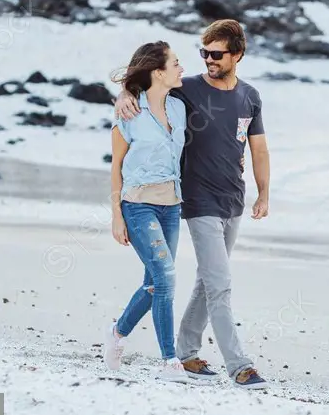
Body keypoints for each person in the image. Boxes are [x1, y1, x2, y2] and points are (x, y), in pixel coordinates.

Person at [115, 20, 271, 390]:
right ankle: (239, 366)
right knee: (220, 284)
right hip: (198, 200)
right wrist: (124, 93)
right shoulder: (189, 90)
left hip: (234, 198)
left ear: (237, 55)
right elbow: (147, 84)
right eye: (204, 53)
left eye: (216, 54)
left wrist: (263, 193)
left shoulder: (250, 96)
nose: (208, 60)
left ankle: (186, 350)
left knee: (208, 280)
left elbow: (258, 147)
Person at [104, 41, 191, 384]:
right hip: (137, 204)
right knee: (166, 278)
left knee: (155, 283)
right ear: (159, 72)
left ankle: (117, 333)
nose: (181, 68)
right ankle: (170, 361)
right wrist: (116, 215)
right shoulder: (129, 113)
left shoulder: (179, 107)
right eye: (176, 63)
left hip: (172, 205)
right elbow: (116, 167)